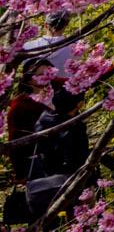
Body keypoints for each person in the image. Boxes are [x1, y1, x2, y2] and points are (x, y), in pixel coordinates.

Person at [4, 37, 88, 226]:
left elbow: (86, 81)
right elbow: (15, 142)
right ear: (28, 78)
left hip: (64, 161)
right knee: (47, 208)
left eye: (48, 73)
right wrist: (21, 173)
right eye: (40, 74)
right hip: (39, 165)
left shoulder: (56, 94)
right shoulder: (20, 106)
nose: (46, 78)